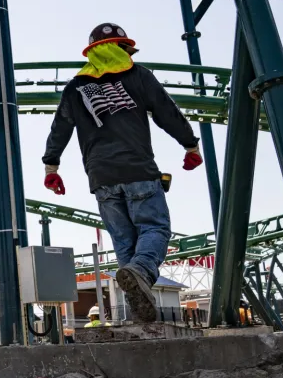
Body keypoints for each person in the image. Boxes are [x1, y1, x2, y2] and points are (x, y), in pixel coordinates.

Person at [42, 23, 202, 323]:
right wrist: (190, 145)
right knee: (155, 229)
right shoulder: (138, 75)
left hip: (101, 179)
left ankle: (138, 314)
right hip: (138, 169)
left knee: (125, 244)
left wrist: (52, 166)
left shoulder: (75, 87)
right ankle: (141, 271)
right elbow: (167, 112)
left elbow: (60, 127)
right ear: (123, 49)